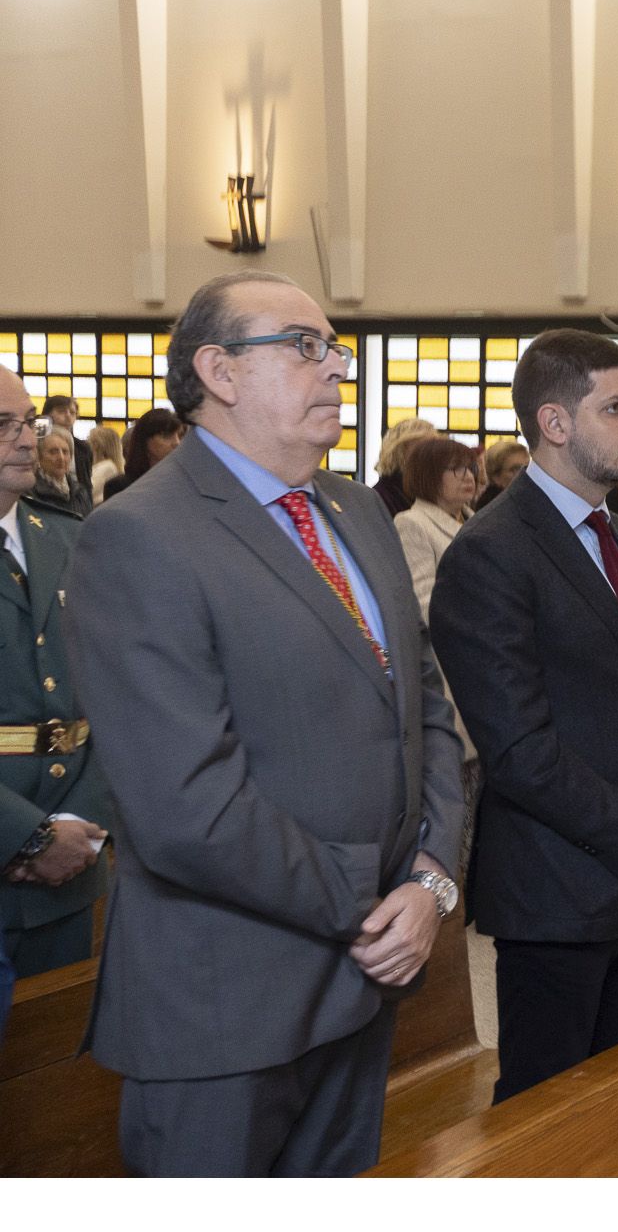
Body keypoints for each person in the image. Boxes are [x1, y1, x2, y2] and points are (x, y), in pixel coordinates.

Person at [63, 270, 465, 1177]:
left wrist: (433, 877)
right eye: (305, 346)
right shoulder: (143, 535)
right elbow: (184, 808)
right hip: (228, 1000)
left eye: (336, 350)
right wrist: (374, 900)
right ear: (220, 370)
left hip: (365, 979)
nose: (335, 371)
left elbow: (425, 711)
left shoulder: (357, 510)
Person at [430, 329, 618, 1103]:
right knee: (546, 1118)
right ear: (554, 423)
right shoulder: (491, 551)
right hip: (558, 891)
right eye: (616, 407)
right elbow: (521, 750)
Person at [0, 367, 112, 982]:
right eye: (3, 425)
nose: (27, 440)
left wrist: (82, 829)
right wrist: (25, 836)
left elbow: (117, 695)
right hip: (20, 841)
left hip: (70, 859)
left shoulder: (67, 539)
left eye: (30, 422)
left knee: (54, 1063)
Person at [395, 436, 481, 839]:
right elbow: (422, 602)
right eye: (455, 469)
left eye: (470, 467)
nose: (468, 476)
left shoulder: (475, 518)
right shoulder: (412, 523)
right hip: (449, 669)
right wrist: (488, 617)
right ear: (429, 476)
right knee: (457, 803)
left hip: (484, 668)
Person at [102, 407, 182, 500]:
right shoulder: (119, 487)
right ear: (145, 441)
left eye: (180, 436)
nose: (177, 443)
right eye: (166, 435)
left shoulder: (183, 483)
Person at [371, 416, 437, 519]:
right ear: (400, 451)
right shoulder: (379, 497)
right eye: (424, 448)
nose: (432, 456)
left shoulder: (428, 493)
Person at [32, 427, 92, 517]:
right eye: (53, 452)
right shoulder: (30, 492)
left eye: (65, 452)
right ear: (39, 457)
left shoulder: (80, 492)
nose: (61, 458)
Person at [42, 396, 93, 497]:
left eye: (72, 413)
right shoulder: (36, 444)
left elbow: (86, 483)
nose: (68, 416)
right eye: (61, 412)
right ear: (47, 415)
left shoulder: (83, 448)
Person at [87, 425, 123, 505]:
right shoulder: (103, 466)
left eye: (88, 440)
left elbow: (89, 491)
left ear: (96, 445)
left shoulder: (106, 467)